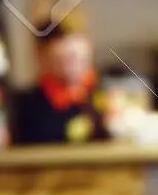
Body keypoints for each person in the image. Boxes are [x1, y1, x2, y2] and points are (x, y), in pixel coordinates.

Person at [12, 14, 110, 145]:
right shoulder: (25, 105)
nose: (70, 49)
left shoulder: (110, 93)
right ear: (40, 55)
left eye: (77, 58)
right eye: (66, 59)